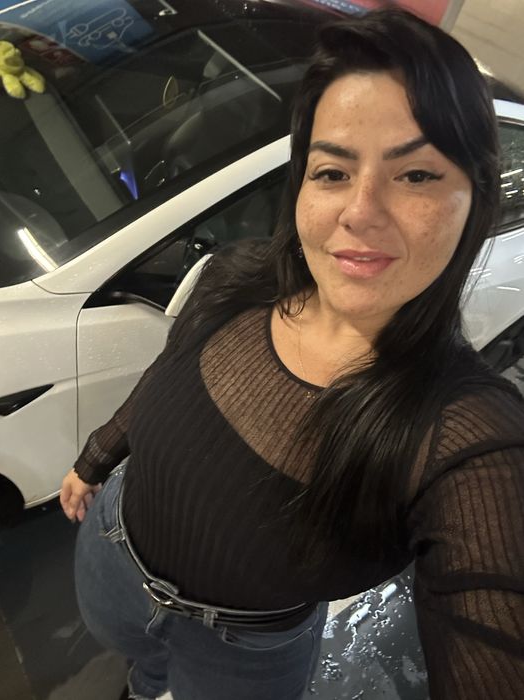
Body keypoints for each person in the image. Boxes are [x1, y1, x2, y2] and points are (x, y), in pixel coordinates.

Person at [60, 8, 524, 700]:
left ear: (475, 200)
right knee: (141, 667)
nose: (360, 211)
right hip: (112, 556)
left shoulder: (463, 436)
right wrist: (97, 455)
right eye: (332, 171)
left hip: (243, 651)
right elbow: (166, 376)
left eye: (416, 175)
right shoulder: (236, 278)